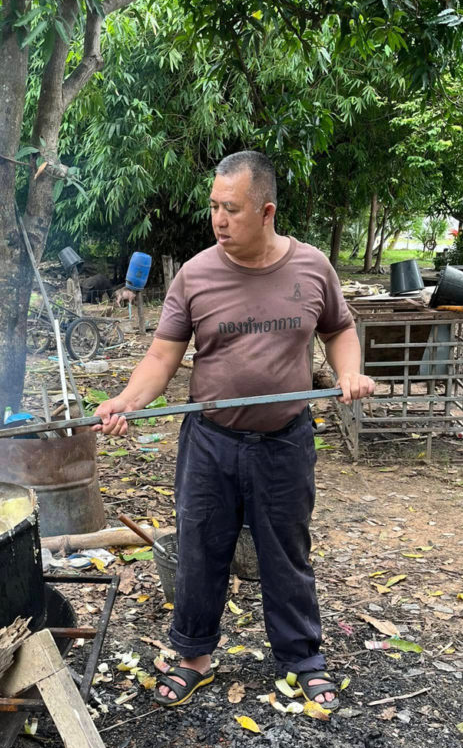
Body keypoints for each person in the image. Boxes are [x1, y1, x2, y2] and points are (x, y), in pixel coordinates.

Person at [94, 151, 374, 710]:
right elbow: (161, 356)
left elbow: (339, 329)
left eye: (232, 209)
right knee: (200, 549)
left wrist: (348, 372)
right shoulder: (196, 275)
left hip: (284, 441)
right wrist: (127, 399)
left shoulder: (312, 267)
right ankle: (194, 655)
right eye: (214, 207)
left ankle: (301, 657)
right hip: (211, 442)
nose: (219, 220)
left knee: (286, 551)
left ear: (266, 211)